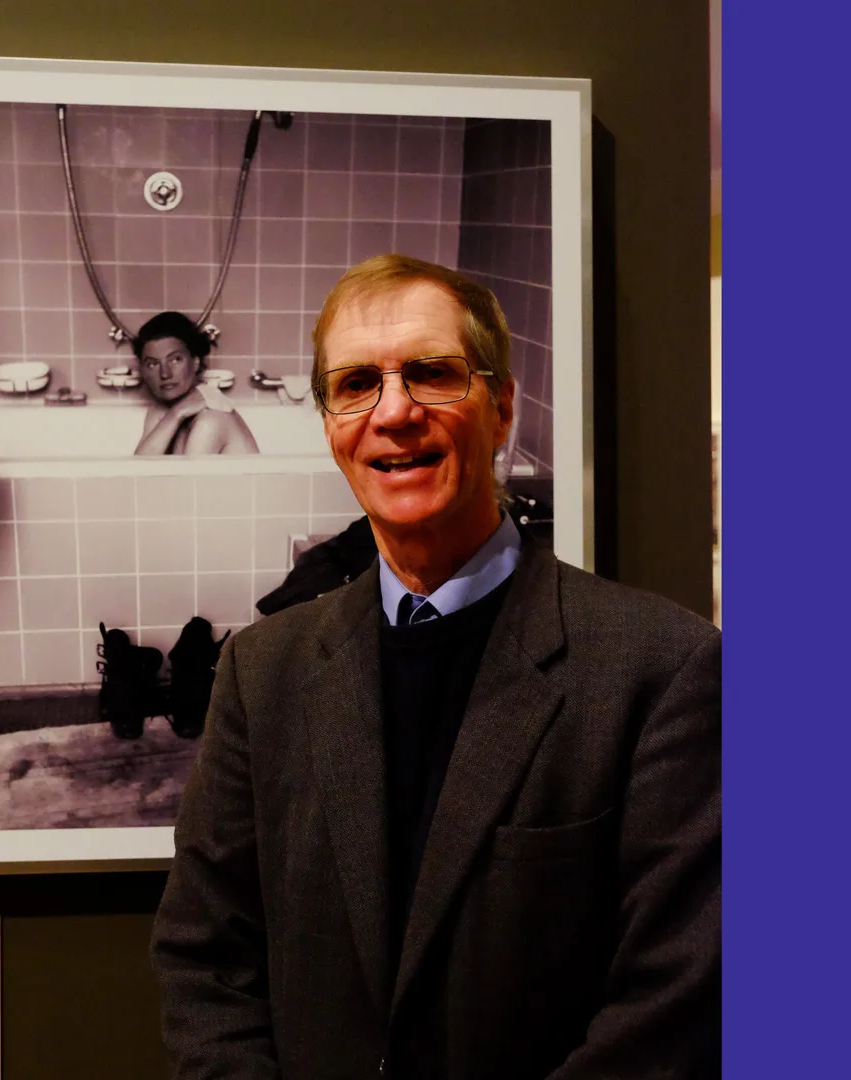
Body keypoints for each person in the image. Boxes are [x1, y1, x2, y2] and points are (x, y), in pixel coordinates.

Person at [151, 255, 721, 1079]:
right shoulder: (262, 671)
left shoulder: (660, 670)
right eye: (356, 385)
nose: (394, 413)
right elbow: (205, 959)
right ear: (329, 426)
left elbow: (676, 998)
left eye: (431, 374)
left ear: (502, 409)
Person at [131, 311, 259, 455]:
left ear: (195, 362)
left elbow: (189, 478)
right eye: (152, 364)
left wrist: (175, 414)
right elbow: (138, 471)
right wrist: (176, 414)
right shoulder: (164, 411)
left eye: (175, 360)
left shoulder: (211, 420)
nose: (165, 373)